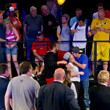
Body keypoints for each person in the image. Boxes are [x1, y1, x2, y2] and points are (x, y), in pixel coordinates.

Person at [89, 9, 110, 76]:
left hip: (105, 43)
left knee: (105, 60)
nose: (100, 16)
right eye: (99, 15)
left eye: (101, 15)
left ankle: (105, 75)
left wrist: (104, 29)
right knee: (94, 60)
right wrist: (96, 30)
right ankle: (94, 75)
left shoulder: (108, 21)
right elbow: (91, 32)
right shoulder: (95, 21)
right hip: (96, 43)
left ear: (104, 14)